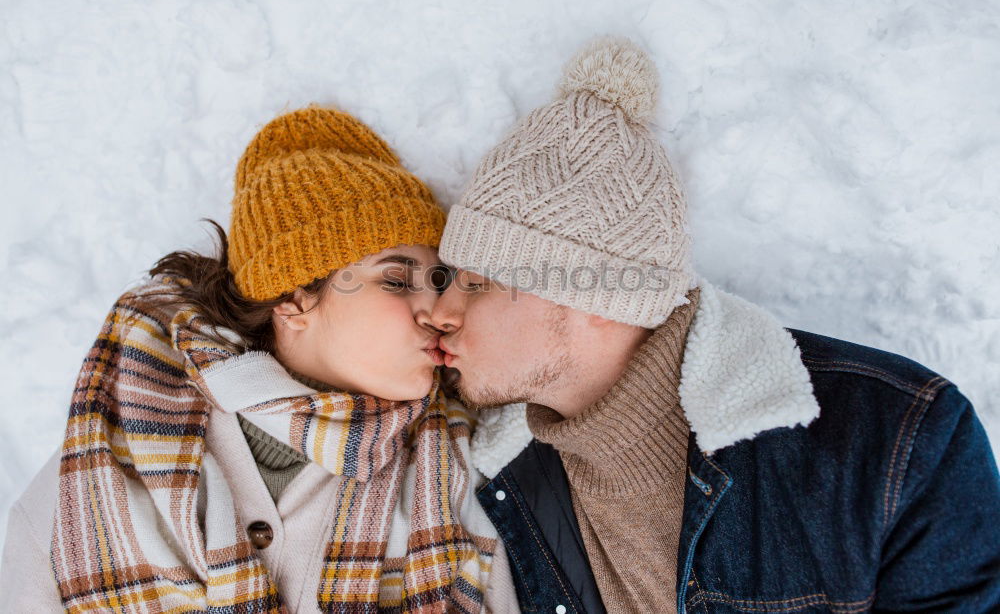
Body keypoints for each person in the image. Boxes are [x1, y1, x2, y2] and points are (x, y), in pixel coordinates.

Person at [429, 37, 1000, 613]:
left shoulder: (894, 441)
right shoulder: (502, 482)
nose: (442, 311)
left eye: (477, 283)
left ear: (598, 296)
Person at [0, 106, 517, 613]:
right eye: (398, 280)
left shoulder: (448, 473)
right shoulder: (122, 440)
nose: (441, 311)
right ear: (292, 301)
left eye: (440, 281)